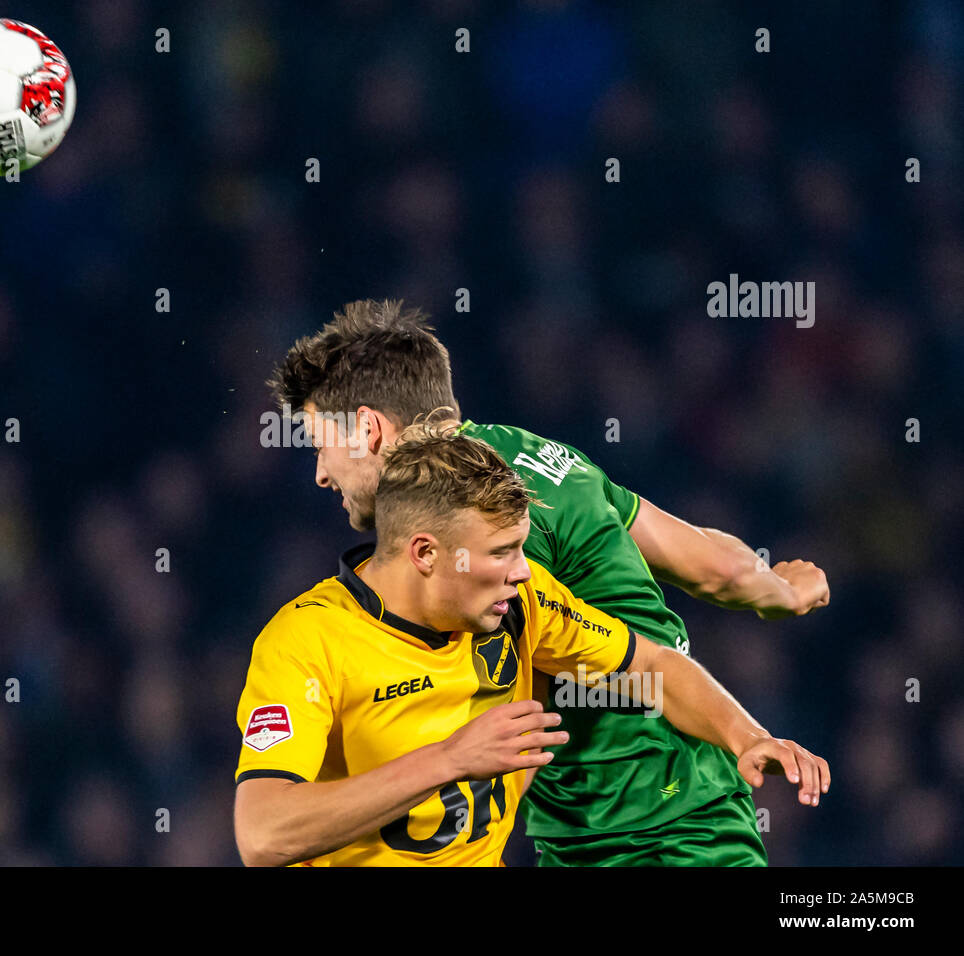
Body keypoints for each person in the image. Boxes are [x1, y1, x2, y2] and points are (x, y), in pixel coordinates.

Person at [266, 299, 831, 865]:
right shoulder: (539, 459)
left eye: (321, 443)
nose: (319, 470)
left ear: (368, 430)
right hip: (599, 823)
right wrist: (779, 589)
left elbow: (492, 714)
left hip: (653, 821)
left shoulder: (478, 525)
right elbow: (717, 566)